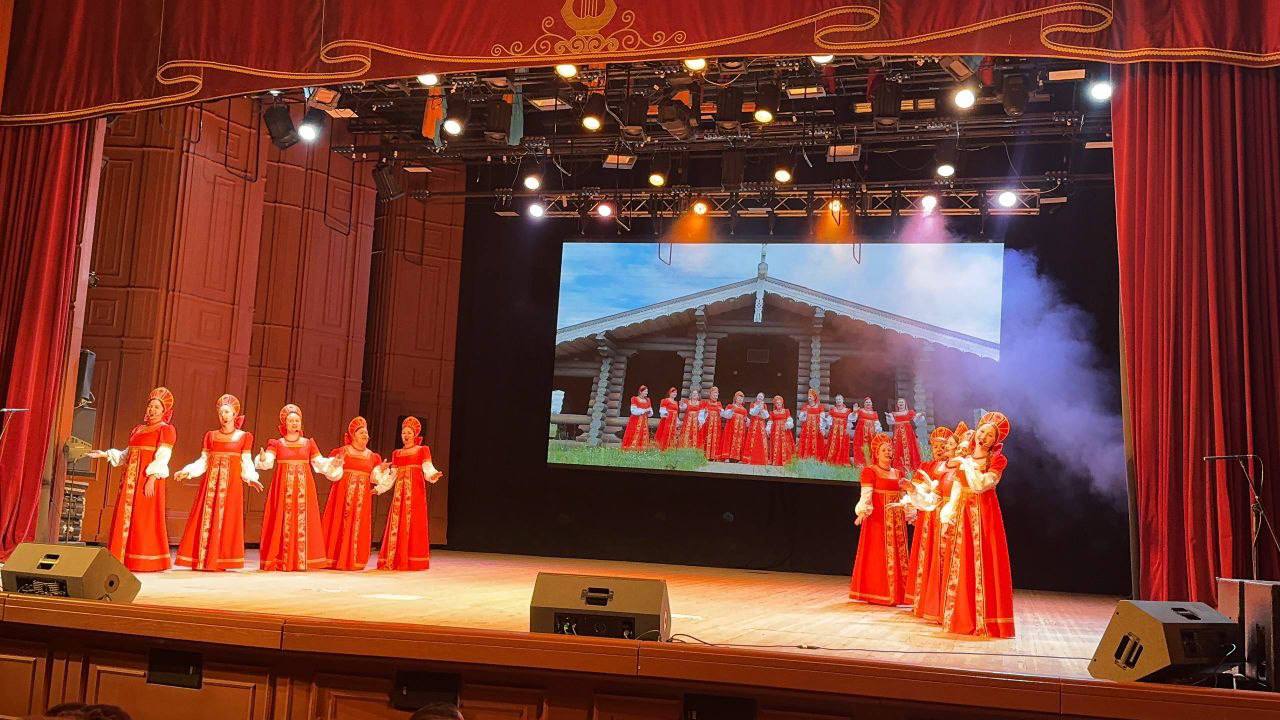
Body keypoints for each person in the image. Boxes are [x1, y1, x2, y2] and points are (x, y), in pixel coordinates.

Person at [938, 411, 1015, 637]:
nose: (983, 437)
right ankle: (962, 617)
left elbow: (981, 485)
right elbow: (957, 489)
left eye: (990, 435)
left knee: (983, 561)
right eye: (982, 431)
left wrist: (966, 464)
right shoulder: (966, 459)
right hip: (963, 513)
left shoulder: (997, 460)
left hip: (984, 514)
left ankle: (985, 620)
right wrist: (948, 515)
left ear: (995, 441)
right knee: (962, 562)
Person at [87, 387, 176, 572]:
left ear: (164, 411)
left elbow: (163, 456)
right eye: (150, 406)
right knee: (127, 517)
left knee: (144, 518)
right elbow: (127, 454)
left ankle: (144, 560)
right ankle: (123, 557)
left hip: (146, 480)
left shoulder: (165, 430)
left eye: (157, 407)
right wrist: (104, 454)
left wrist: (152, 478)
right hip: (129, 482)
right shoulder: (138, 429)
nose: (152, 410)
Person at [173, 394, 261, 571]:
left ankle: (221, 559)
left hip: (231, 486)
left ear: (234, 414)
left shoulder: (244, 437)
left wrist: (251, 478)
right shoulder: (211, 436)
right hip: (210, 487)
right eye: (221, 413)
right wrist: (188, 471)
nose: (224, 416)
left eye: (227, 412)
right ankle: (204, 557)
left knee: (227, 519)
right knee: (207, 517)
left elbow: (246, 461)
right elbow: (204, 460)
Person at [254, 404, 342, 571]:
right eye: (291, 420)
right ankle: (282, 558)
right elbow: (268, 461)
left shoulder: (308, 443)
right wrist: (263, 458)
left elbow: (319, 462)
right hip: (283, 488)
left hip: (304, 489)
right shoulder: (277, 443)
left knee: (302, 519)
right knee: (282, 519)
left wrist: (333, 464)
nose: (294, 423)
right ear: (285, 424)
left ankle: (301, 559)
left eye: (297, 420)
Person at [849, 433, 910, 606]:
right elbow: (866, 495)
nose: (888, 452)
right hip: (878, 519)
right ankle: (878, 592)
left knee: (898, 554)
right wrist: (862, 511)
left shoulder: (899, 473)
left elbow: (904, 496)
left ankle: (899, 594)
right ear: (876, 453)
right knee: (878, 554)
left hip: (896, 521)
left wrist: (909, 512)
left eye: (890, 449)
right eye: (884, 450)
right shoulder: (870, 471)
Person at [322, 416, 389, 571]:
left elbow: (374, 478)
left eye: (366, 433)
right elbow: (331, 473)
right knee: (339, 522)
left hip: (362, 497)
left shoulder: (372, 456)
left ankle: (353, 559)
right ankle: (335, 558)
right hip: (342, 495)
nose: (365, 435)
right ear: (353, 436)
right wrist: (336, 464)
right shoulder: (342, 451)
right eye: (361, 433)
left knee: (358, 524)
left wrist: (380, 469)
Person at [376, 416, 442, 570]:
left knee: (413, 522)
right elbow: (392, 476)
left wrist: (433, 475)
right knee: (397, 522)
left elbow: (427, 467)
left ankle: (412, 560)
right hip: (399, 495)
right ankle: (395, 558)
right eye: (403, 433)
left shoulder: (422, 450)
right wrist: (379, 488)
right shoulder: (397, 453)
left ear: (415, 435)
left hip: (415, 492)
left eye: (409, 433)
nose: (406, 435)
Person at [905, 425, 957, 617]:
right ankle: (924, 600)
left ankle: (939, 601)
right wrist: (911, 508)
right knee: (925, 555)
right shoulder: (926, 467)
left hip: (945, 515)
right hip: (927, 517)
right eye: (936, 446)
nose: (939, 449)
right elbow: (915, 490)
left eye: (943, 446)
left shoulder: (955, 467)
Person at [885, 398, 924, 476]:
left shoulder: (909, 412)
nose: (901, 403)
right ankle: (899, 468)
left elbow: (916, 419)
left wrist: (920, 415)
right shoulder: (894, 414)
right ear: (897, 404)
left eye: (902, 402)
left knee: (909, 448)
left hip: (908, 434)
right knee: (898, 448)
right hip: (898, 435)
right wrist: (889, 416)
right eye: (899, 402)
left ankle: (910, 467)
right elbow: (891, 422)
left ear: (905, 404)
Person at [821, 394, 853, 466]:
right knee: (833, 445)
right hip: (834, 431)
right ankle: (831, 459)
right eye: (837, 399)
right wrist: (825, 427)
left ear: (843, 400)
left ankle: (840, 461)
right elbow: (829, 420)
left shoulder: (847, 411)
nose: (838, 401)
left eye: (839, 399)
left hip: (843, 432)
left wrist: (848, 428)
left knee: (842, 445)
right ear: (835, 401)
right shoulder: (833, 410)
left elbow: (850, 420)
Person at [717, 391, 749, 462]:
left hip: (740, 429)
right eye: (739, 398)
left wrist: (746, 420)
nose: (740, 399)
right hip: (731, 427)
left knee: (739, 441)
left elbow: (745, 419)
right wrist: (731, 410)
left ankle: (737, 457)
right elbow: (725, 415)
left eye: (741, 398)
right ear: (735, 398)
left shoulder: (744, 410)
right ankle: (727, 457)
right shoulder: (730, 406)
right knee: (729, 440)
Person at [795, 389, 826, 460]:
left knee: (816, 442)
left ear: (814, 397)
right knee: (807, 441)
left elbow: (822, 418)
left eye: (810, 396)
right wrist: (804, 414)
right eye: (808, 396)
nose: (809, 397)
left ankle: (816, 458)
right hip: (807, 429)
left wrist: (822, 428)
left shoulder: (820, 407)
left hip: (816, 429)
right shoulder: (805, 407)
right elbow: (801, 418)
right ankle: (806, 457)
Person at [850, 397, 881, 466]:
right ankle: (860, 463)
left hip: (871, 434)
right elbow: (852, 419)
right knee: (860, 446)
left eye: (869, 402)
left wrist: (877, 431)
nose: (868, 403)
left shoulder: (874, 413)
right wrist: (854, 412)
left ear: (872, 404)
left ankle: (869, 463)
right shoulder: (860, 411)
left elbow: (877, 423)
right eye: (866, 402)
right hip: (861, 433)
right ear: (864, 404)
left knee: (870, 447)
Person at [741, 392, 770, 465]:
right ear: (757, 397)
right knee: (752, 439)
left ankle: (761, 459)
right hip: (753, 424)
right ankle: (749, 458)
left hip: (761, 424)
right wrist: (758, 407)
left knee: (761, 440)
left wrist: (762, 410)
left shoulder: (764, 405)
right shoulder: (752, 404)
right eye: (759, 396)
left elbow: (766, 416)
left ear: (763, 398)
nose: (760, 397)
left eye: (761, 397)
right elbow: (752, 413)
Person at [766, 395, 795, 466]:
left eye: (779, 403)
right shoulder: (772, 412)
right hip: (775, 431)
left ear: (782, 403)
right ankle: (776, 460)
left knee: (785, 444)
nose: (778, 404)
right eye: (777, 403)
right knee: (776, 444)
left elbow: (789, 419)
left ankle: (786, 460)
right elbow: (770, 422)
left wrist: (788, 424)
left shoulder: (786, 411)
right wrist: (768, 429)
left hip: (784, 430)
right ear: (775, 404)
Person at [621, 385, 653, 450]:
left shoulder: (648, 400)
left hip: (644, 421)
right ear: (640, 392)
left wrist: (649, 412)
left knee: (643, 434)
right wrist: (644, 410)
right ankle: (631, 448)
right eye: (645, 391)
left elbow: (650, 412)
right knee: (634, 433)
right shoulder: (634, 399)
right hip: (635, 421)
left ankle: (641, 449)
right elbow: (633, 411)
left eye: (647, 391)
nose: (647, 393)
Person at [700, 386, 724, 459]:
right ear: (710, 394)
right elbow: (701, 413)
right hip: (707, 424)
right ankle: (705, 455)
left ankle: (713, 456)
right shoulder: (706, 402)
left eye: (717, 394)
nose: (715, 395)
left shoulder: (719, 404)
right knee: (706, 438)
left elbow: (722, 414)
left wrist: (722, 411)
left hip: (716, 425)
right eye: (714, 394)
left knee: (715, 438)